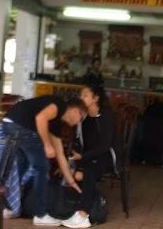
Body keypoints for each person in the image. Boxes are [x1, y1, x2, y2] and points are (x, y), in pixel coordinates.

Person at [2, 95, 86, 226]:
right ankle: (40, 214)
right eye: (81, 118)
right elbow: (40, 118)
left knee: (21, 167)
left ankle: (10, 208)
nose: (78, 122)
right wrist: (47, 145)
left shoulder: (56, 124)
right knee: (42, 168)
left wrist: (71, 181)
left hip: (9, 123)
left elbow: (60, 155)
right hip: (21, 126)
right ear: (76, 110)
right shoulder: (60, 104)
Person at [63, 84, 118, 229]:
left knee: (89, 171)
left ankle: (83, 215)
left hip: (108, 156)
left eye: (85, 95)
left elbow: (105, 146)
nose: (81, 98)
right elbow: (80, 143)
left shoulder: (106, 115)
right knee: (73, 171)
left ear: (96, 98)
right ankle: (69, 209)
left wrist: (83, 158)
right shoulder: (84, 117)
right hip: (89, 156)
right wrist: (78, 158)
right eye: (81, 95)